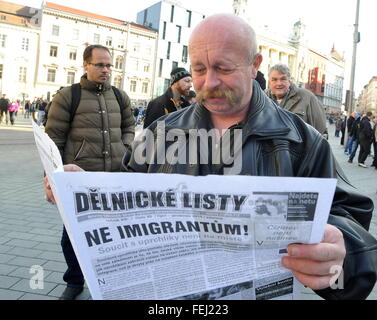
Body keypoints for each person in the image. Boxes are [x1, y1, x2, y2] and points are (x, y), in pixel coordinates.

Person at [46, 14, 377, 300]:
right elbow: (125, 191)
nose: (210, 83)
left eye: (223, 68)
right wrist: (80, 189)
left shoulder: (301, 140)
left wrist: (341, 250)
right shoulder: (161, 132)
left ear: (254, 65)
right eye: (199, 69)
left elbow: (349, 218)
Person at [45, 44, 135, 300]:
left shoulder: (120, 96)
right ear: (86, 65)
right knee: (72, 236)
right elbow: (53, 140)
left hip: (115, 178)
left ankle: (110, 279)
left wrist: (126, 145)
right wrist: (52, 178)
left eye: (109, 65)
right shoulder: (68, 96)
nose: (106, 70)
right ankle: (74, 281)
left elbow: (129, 126)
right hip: (80, 180)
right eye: (100, 65)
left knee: (114, 233)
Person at [266, 64, 328, 138]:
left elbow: (321, 131)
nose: (279, 83)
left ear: (289, 81)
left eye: (283, 79)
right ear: (269, 83)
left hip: (298, 148)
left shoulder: (308, 98)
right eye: (274, 80)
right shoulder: (261, 98)